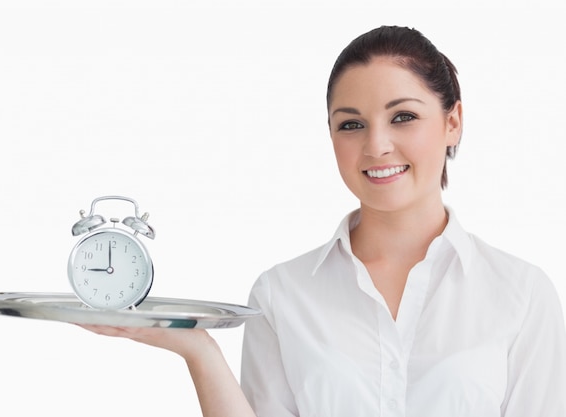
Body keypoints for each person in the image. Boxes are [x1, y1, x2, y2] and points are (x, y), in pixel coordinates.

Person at [80, 25, 566, 416]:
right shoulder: (281, 294)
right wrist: (200, 351)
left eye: (402, 117)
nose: (376, 145)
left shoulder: (521, 295)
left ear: (453, 121)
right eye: (351, 124)